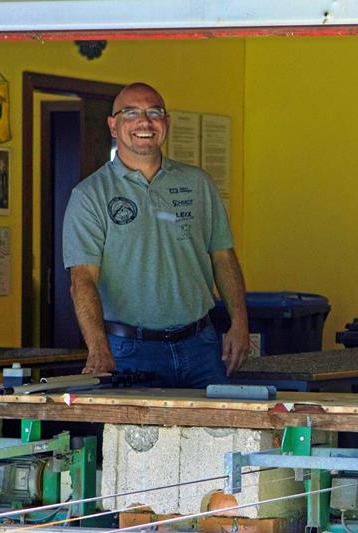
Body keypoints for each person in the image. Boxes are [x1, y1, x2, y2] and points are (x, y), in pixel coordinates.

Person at [62, 82, 249, 388]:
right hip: (130, 350)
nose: (144, 122)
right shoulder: (89, 195)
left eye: (154, 112)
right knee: (137, 437)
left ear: (166, 123)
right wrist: (98, 348)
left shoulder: (198, 184)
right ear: (113, 125)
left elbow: (223, 257)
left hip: (201, 346)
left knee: (218, 434)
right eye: (131, 112)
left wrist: (239, 324)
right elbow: (82, 280)